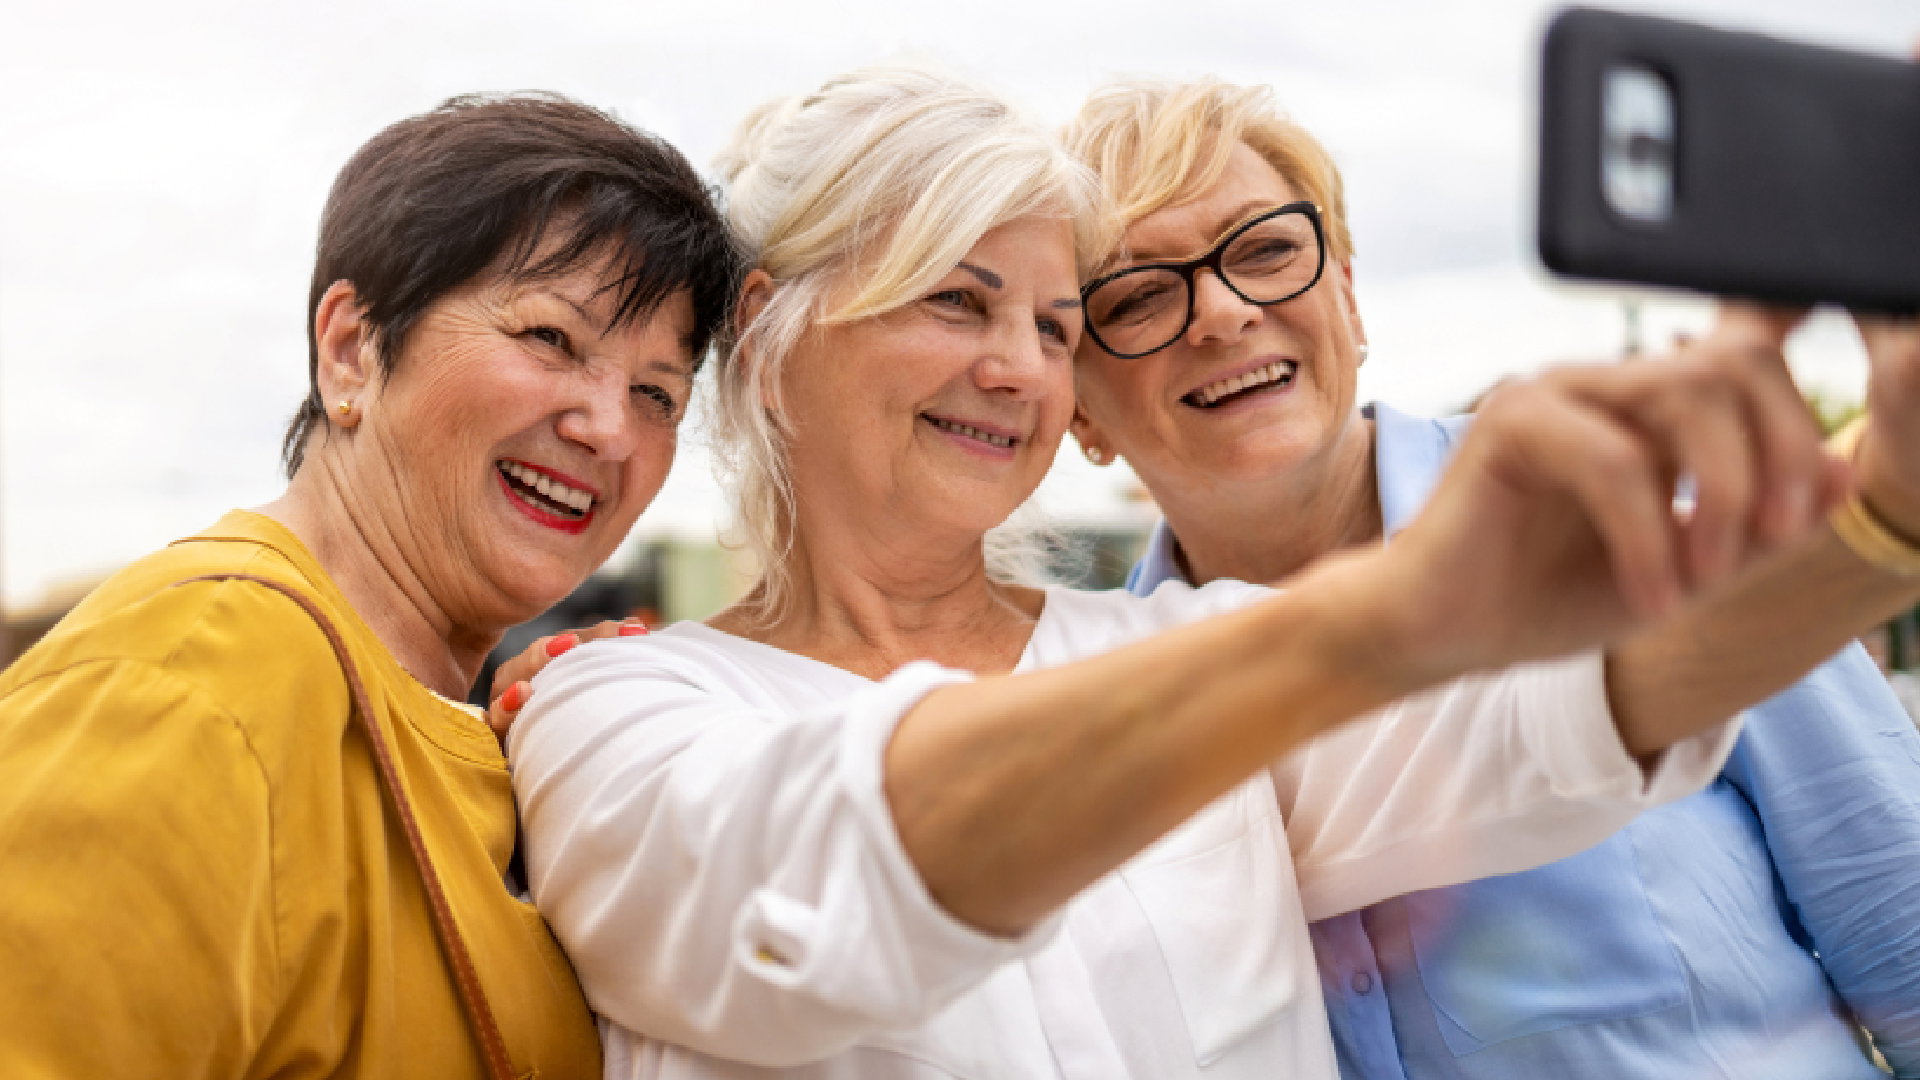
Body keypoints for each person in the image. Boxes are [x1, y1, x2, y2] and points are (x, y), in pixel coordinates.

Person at [500, 67, 1919, 1079]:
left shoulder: (1182, 645)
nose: (1017, 366)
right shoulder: (609, 710)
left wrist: (1885, 516)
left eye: (1059, 323)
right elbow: (819, 885)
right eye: (958, 298)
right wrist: (1388, 618)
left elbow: (1558, 713)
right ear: (770, 328)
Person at [1062, 78, 1920, 1079]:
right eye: (1137, 295)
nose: (1222, 311)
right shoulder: (1105, 732)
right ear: (1076, 411)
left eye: (1264, 248)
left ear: (1346, 294)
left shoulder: (1618, 509)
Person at [0, 92, 742, 1078]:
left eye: (657, 394)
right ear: (351, 348)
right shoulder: (193, 680)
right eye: (550, 339)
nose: (609, 428)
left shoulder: (453, 722)